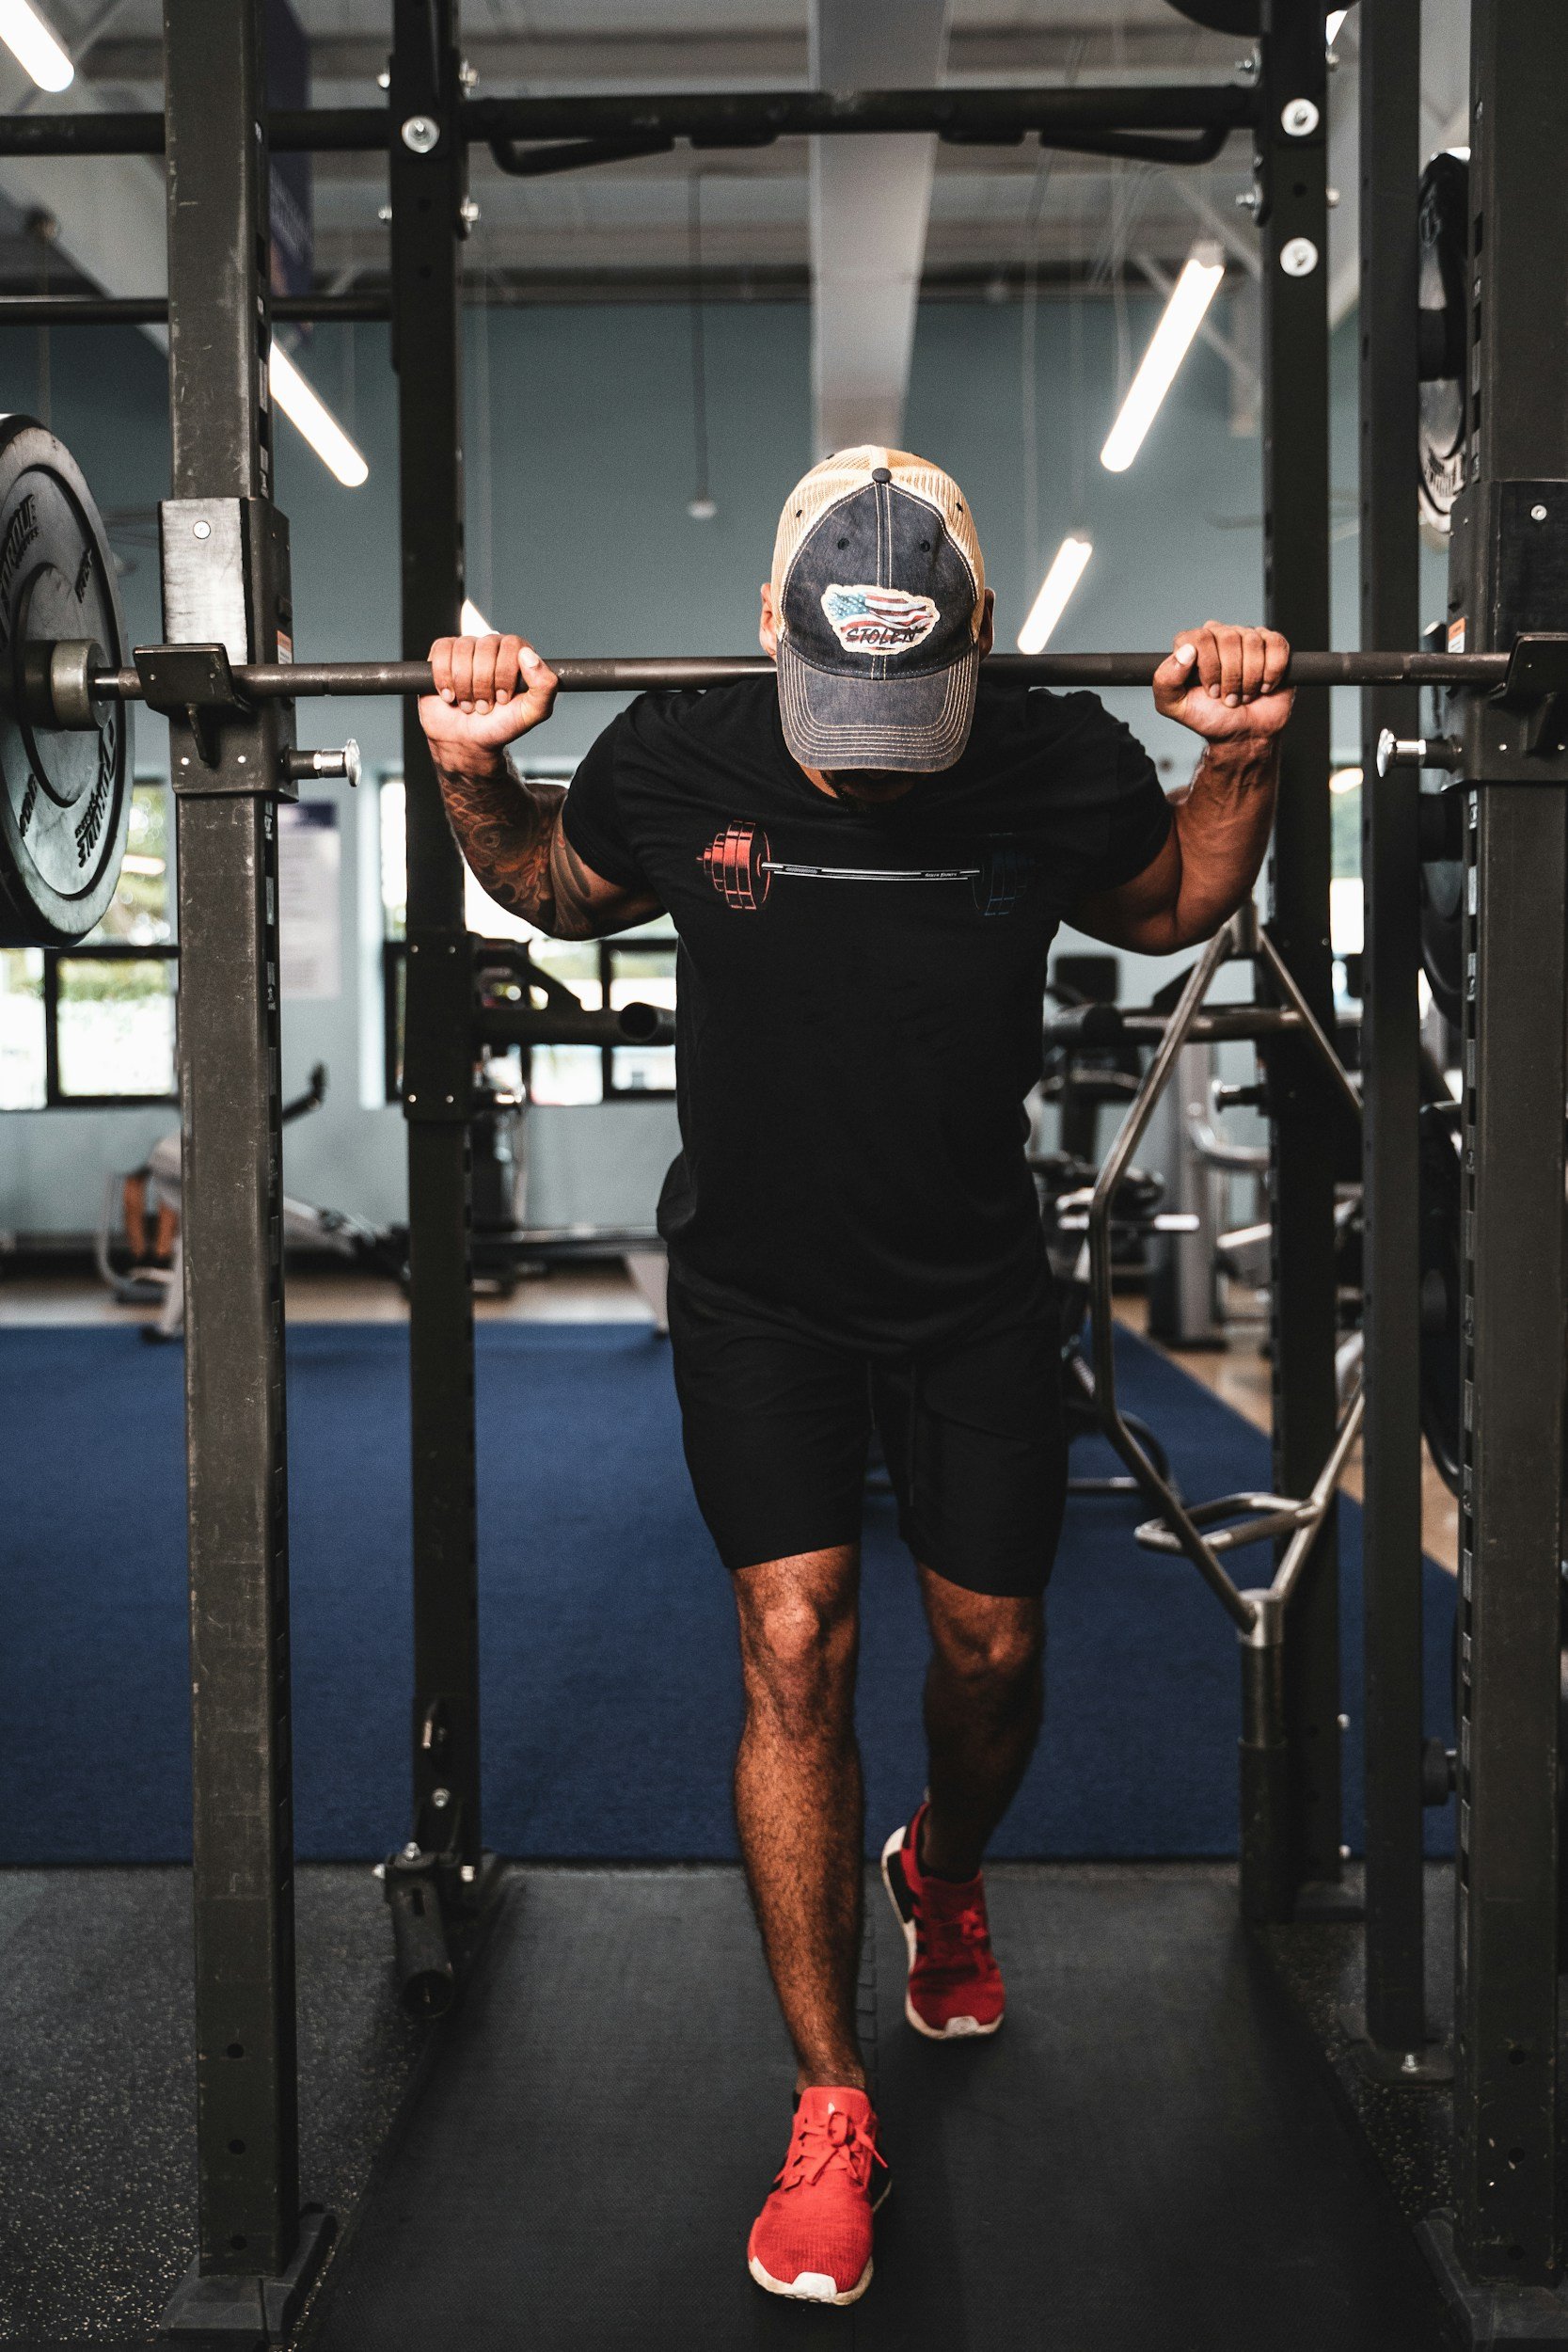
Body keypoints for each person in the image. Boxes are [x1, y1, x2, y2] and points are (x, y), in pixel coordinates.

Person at [417, 447, 1292, 2309]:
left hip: (975, 1288)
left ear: (983, 638)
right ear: (770, 630)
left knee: (994, 1649)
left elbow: (1166, 907)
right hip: (759, 1294)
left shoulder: (1055, 756)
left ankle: (945, 1864)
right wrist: (470, 765)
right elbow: (556, 892)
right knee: (794, 1640)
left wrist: (1240, 751)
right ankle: (829, 2100)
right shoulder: (676, 751)